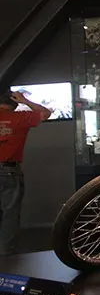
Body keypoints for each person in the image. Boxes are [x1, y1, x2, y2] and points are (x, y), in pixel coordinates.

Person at [0, 90, 51, 254]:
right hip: (8, 170)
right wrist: (25, 101)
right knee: (9, 213)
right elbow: (45, 113)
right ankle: (5, 254)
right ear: (14, 102)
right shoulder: (19, 118)